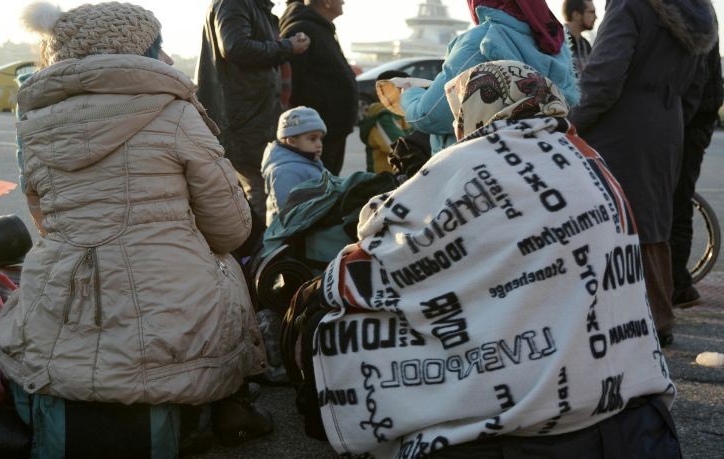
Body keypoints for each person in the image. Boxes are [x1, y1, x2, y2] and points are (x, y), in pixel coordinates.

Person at [289, 60, 679, 458]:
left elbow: (385, 235)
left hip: (530, 422)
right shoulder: (584, 156)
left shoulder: (469, 159)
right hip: (630, 410)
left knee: (347, 317)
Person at [0, 2, 268, 456]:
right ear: (145, 51)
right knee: (226, 269)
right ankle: (227, 404)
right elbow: (230, 230)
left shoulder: (35, 124)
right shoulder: (177, 115)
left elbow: (44, 219)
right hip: (172, 307)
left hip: (66, 293)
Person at [569, 0, 717, 345]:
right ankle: (659, 317)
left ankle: (625, 321)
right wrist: (672, 120)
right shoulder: (697, 11)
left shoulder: (630, 5)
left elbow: (604, 78)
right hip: (667, 126)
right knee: (653, 223)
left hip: (621, 128)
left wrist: (570, 123)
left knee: (613, 223)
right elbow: (696, 86)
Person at [400, 0, 579, 154]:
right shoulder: (553, 43)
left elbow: (429, 116)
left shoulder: (484, 40)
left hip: (479, 170)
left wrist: (409, 94)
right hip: (538, 162)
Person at [196, 0, 310, 221]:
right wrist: (288, 47)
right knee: (258, 189)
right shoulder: (234, 3)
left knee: (258, 188)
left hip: (251, 115)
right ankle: (258, 251)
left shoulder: (254, 7)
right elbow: (235, 47)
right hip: (242, 119)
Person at [670, 39, 723, 308]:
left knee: (678, 202)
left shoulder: (692, 16)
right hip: (697, 119)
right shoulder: (699, 14)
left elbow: (695, 82)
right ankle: (677, 284)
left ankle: (678, 284)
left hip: (691, 123)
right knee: (678, 201)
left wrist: (676, 123)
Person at [280, 0, 358, 176]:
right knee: (318, 192)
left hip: (331, 131)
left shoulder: (322, 29)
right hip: (317, 134)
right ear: (327, 2)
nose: (344, 1)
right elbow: (291, 84)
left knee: (328, 189)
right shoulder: (302, 30)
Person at [262, 106, 327, 225]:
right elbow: (289, 213)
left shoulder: (309, 161)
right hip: (292, 238)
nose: (319, 144)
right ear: (292, 141)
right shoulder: (285, 171)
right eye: (312, 139)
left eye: (320, 138)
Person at [358, 70, 411, 174]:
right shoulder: (382, 118)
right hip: (385, 181)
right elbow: (402, 149)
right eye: (407, 88)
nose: (412, 92)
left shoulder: (401, 112)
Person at [562, 0, 596, 75]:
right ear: (576, 15)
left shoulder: (585, 44)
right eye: (591, 12)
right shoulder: (559, 42)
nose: (596, 17)